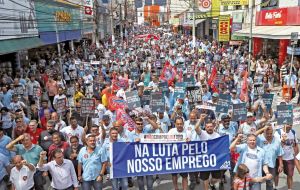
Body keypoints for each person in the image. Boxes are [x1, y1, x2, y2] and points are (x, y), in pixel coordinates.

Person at [192, 120, 222, 190]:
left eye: (211, 126)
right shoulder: (203, 134)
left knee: (216, 178)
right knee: (205, 178)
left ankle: (211, 183)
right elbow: (196, 128)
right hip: (204, 160)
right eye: (208, 127)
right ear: (205, 128)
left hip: (215, 160)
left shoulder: (217, 135)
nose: (209, 128)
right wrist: (201, 119)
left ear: (213, 127)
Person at [256, 124, 284, 190]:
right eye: (267, 133)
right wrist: (262, 129)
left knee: (270, 184)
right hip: (259, 165)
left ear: (273, 132)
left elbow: (280, 154)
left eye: (270, 133)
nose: (269, 135)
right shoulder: (259, 138)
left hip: (271, 165)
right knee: (257, 183)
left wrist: (281, 164)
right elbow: (251, 135)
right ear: (264, 132)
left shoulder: (276, 141)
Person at [274, 124, 299, 190]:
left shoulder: (293, 132)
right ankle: (275, 187)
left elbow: (295, 145)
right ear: (284, 124)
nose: (289, 126)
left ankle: (289, 189)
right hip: (278, 157)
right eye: (288, 124)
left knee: (290, 175)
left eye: (291, 124)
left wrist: (297, 156)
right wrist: (282, 140)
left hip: (289, 157)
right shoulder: (278, 133)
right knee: (276, 174)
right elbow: (276, 147)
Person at [168, 117, 188, 190]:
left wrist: (189, 141)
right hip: (174, 157)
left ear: (183, 124)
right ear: (175, 124)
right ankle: (176, 188)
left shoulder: (187, 132)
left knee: (185, 176)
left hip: (183, 158)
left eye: (181, 124)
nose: (179, 125)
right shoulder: (171, 131)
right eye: (178, 124)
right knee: (174, 175)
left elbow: (192, 144)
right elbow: (166, 141)